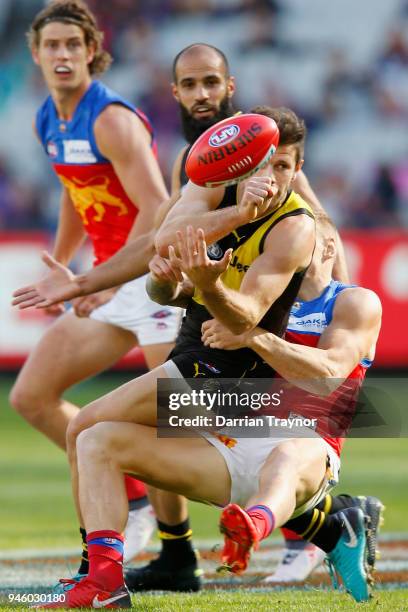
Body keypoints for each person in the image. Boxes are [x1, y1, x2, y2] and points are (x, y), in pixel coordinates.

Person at [14, 106, 366, 609]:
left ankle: (102, 576)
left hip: (232, 379)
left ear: (298, 167)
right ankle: (109, 580)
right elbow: (164, 243)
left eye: (285, 168)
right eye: (264, 165)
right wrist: (126, 279)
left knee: (83, 428)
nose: (271, 179)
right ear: (246, 159)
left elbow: (244, 319)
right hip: (199, 359)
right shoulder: (211, 180)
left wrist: (204, 282)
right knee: (96, 440)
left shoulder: (295, 227)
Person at [8, 0, 182, 574]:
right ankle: (130, 498)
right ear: (35, 54)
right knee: (31, 397)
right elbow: (74, 190)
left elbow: (158, 210)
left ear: (91, 53)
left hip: (153, 277)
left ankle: (310, 518)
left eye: (72, 45)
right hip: (105, 280)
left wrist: (102, 279)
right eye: (51, 45)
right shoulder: (48, 118)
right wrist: (61, 265)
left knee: (178, 424)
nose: (61, 54)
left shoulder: (111, 118)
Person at [201, 214, 382, 594]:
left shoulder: (352, 301)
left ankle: (253, 527)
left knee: (284, 458)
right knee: (116, 429)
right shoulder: (262, 303)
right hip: (246, 430)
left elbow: (327, 375)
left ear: (330, 248)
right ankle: (163, 553)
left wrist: (254, 336)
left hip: (311, 439)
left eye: (304, 243)